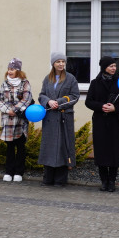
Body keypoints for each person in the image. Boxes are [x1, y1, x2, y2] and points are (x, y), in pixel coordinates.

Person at [85, 56, 119, 192]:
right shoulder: (95, 83)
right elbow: (88, 101)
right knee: (101, 152)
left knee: (114, 152)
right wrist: (101, 106)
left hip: (115, 121)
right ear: (104, 67)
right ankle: (104, 181)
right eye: (111, 66)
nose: (114, 68)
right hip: (100, 121)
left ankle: (112, 181)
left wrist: (114, 108)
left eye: (114, 66)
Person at [37, 53, 81, 187]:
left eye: (63, 61)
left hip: (64, 118)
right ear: (53, 63)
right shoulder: (47, 79)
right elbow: (41, 95)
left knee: (63, 148)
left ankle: (60, 179)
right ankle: (48, 178)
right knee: (49, 148)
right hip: (50, 118)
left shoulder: (70, 78)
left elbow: (75, 96)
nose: (61, 64)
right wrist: (48, 102)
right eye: (58, 62)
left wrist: (59, 102)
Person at [0, 58, 32, 182]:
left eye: (12, 69)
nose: (9, 71)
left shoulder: (25, 83)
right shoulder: (4, 84)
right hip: (8, 120)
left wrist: (16, 109)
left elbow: (27, 99)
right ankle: (9, 171)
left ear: (18, 70)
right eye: (9, 69)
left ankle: (19, 172)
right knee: (10, 147)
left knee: (20, 146)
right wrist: (8, 110)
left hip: (21, 120)